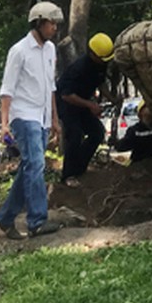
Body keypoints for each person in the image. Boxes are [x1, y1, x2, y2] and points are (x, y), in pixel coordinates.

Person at [0, 1, 65, 240]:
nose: (54, 28)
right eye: (51, 23)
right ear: (38, 23)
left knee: (29, 167)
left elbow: (51, 88)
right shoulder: (19, 51)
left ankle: (6, 218)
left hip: (43, 117)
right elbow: (7, 90)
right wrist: (4, 124)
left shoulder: (50, 50)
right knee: (36, 164)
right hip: (24, 116)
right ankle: (36, 220)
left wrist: (55, 119)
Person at [55, 32, 114, 187]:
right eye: (102, 58)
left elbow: (100, 83)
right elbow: (66, 95)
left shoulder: (101, 65)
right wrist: (91, 105)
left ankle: (80, 168)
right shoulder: (79, 68)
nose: (104, 62)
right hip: (66, 104)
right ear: (93, 54)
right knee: (74, 135)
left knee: (97, 132)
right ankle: (68, 175)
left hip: (82, 103)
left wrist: (111, 98)